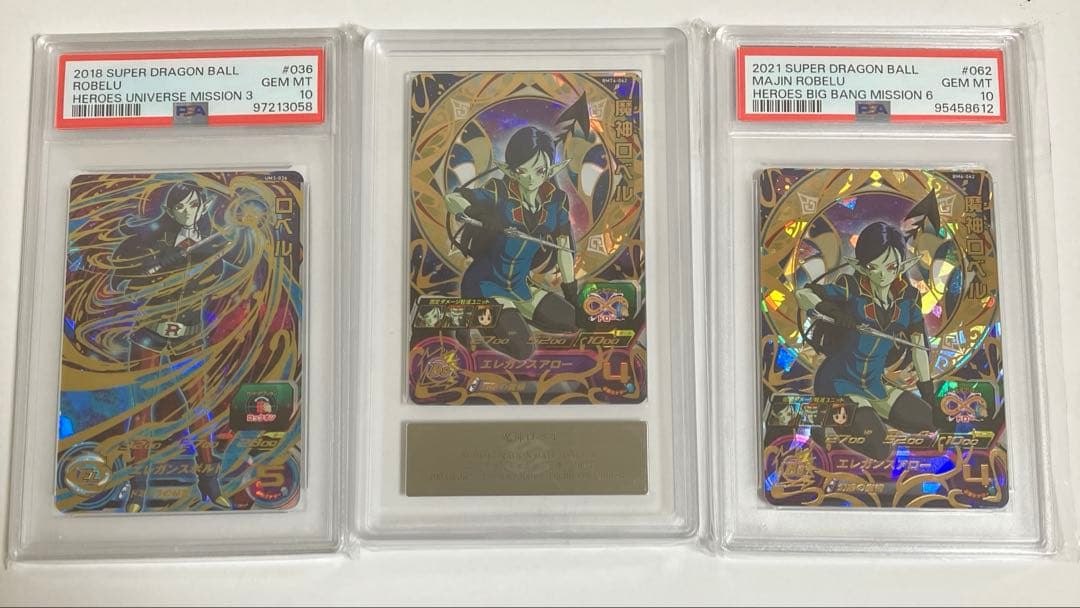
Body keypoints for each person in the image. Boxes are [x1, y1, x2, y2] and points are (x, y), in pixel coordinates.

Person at [112, 181, 232, 511]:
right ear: (170, 210)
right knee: (142, 411)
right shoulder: (152, 241)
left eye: (192, 205)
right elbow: (121, 280)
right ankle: (137, 488)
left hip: (189, 335)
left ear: (202, 205)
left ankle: (210, 482)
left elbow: (216, 278)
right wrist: (153, 268)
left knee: (198, 409)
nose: (186, 212)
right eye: (179, 207)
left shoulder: (214, 244)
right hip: (150, 333)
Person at [795, 221, 936, 460]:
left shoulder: (908, 299)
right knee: (880, 449)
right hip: (838, 383)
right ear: (861, 267)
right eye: (873, 267)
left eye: (890, 266)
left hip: (874, 385)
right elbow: (802, 294)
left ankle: (868, 413)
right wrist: (832, 311)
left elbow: (919, 348)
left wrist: (928, 393)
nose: (882, 274)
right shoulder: (851, 288)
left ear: (901, 263)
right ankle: (825, 414)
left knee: (930, 421)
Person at [444, 126, 578, 359]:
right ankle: (471, 314)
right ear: (512, 170)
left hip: (520, 285)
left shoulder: (556, 201)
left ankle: (513, 311)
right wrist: (477, 213)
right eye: (522, 170)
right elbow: (452, 198)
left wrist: (571, 292)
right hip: (486, 285)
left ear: (549, 169)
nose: (531, 178)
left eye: (539, 170)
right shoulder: (499, 192)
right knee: (523, 349)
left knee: (571, 319)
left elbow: (564, 248)